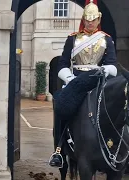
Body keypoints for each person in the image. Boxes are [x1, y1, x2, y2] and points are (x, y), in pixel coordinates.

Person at [48, 0, 118, 168]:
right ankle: (59, 151)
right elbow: (63, 64)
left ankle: (118, 147)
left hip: (98, 81)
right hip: (75, 82)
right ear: (83, 19)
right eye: (87, 19)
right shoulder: (72, 39)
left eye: (93, 19)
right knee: (61, 106)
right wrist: (70, 79)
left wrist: (104, 71)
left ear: (99, 19)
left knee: (117, 107)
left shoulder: (106, 40)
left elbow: (112, 64)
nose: (90, 22)